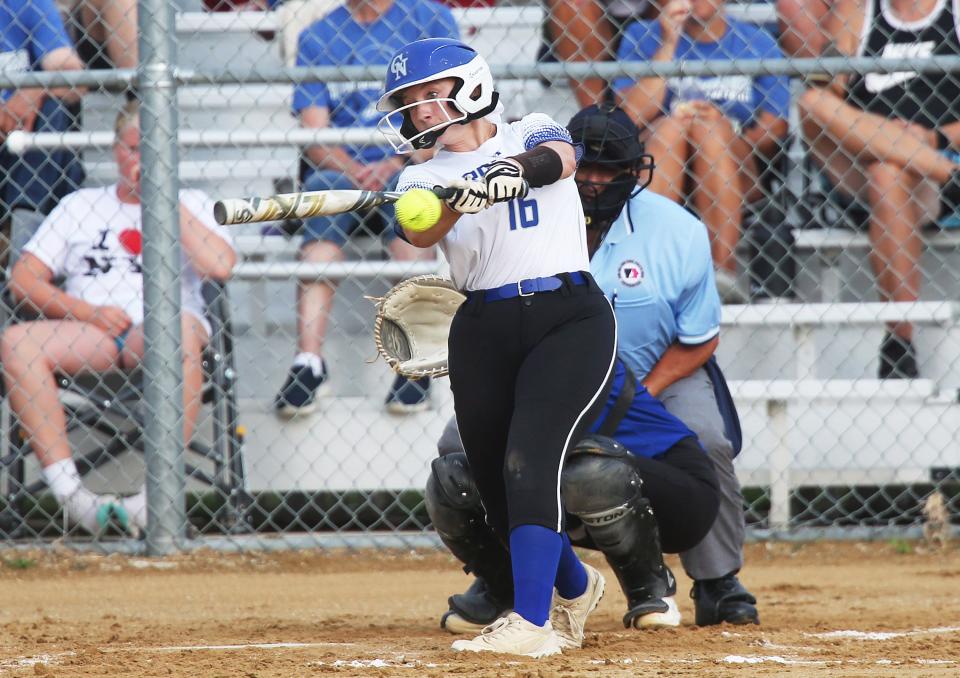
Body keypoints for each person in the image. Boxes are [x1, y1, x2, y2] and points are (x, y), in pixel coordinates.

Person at [434, 103, 760, 631]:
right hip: (536, 373)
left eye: (610, 171)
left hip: (655, 373)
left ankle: (718, 579)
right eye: (585, 166)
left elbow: (699, 338)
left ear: (635, 173)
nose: (593, 180)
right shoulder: (519, 207)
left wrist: (642, 394)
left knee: (706, 435)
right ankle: (506, 577)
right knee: (459, 445)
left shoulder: (677, 230)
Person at [378, 37, 617, 656]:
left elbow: (560, 159)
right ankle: (576, 585)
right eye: (412, 100)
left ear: (471, 86)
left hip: (567, 315)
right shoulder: (420, 176)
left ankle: (532, 623)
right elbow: (419, 227)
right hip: (482, 324)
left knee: (528, 459)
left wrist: (502, 173)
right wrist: (455, 197)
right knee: (494, 484)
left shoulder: (529, 128)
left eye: (434, 93)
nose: (423, 108)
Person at [0, 100, 237, 536]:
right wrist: (87, 312)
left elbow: (220, 265)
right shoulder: (80, 205)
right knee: (15, 342)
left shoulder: (194, 203)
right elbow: (23, 280)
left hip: (165, 330)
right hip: (90, 331)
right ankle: (75, 499)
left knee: (178, 330)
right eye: (132, 148)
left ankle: (156, 499)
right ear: (115, 150)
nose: (141, 160)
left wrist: (165, 201)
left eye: (153, 149)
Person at [274, 0, 459, 418]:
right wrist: (356, 168)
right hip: (342, 170)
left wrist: (394, 162)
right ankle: (308, 363)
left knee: (413, 202)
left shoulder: (428, 19)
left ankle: (415, 361)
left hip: (414, 162)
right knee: (321, 198)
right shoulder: (318, 35)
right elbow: (315, 135)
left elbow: (444, 114)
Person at [798, 0, 960, 378]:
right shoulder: (859, 10)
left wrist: (932, 137)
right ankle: (945, 171)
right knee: (811, 103)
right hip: (865, 160)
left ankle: (899, 343)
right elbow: (824, 87)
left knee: (887, 172)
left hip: (928, 176)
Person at [614, 0, 790, 303]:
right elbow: (630, 117)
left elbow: (775, 128)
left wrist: (723, 131)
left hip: (736, 168)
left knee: (708, 128)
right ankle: (657, 272)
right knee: (674, 127)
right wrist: (669, 42)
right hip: (665, 161)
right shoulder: (641, 35)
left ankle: (720, 273)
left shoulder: (757, 41)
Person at [1, 0, 86, 266]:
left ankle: (20, 227)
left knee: (52, 107)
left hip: (19, 142)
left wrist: (33, 91)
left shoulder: (24, 4)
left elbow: (73, 76)